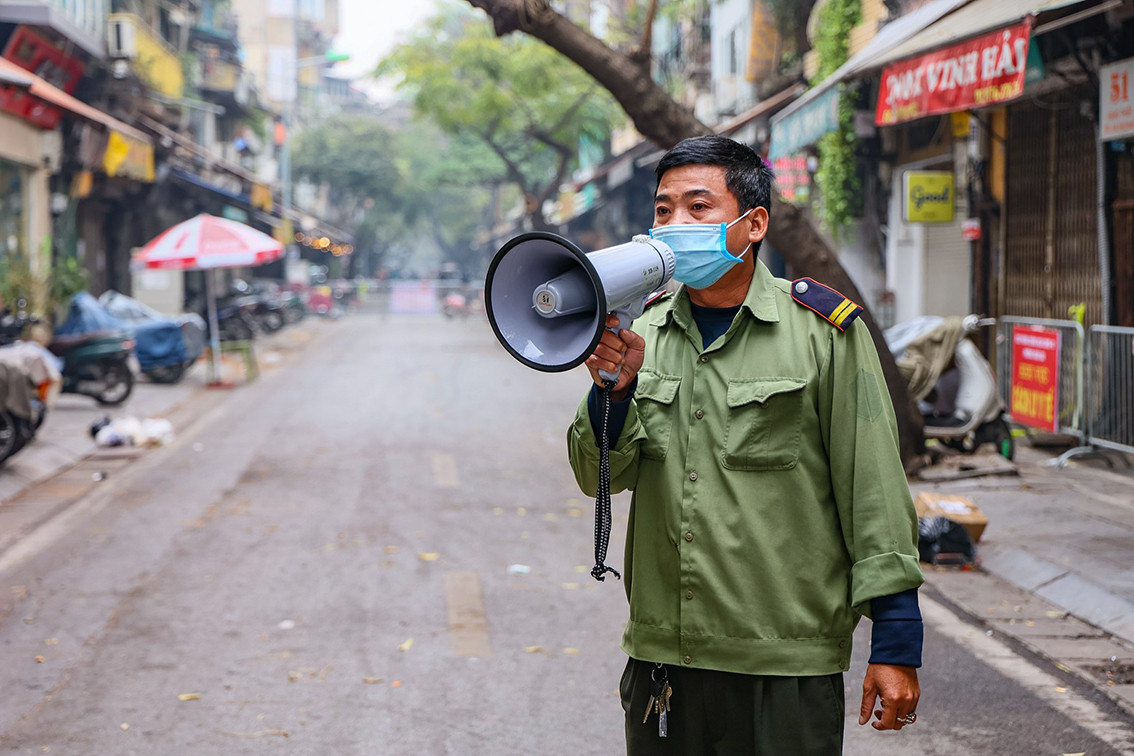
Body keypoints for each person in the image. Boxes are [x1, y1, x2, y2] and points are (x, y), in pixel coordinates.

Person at [566, 135, 923, 754]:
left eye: (699, 207)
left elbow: (873, 487)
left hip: (785, 664)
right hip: (664, 659)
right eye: (662, 210)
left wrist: (896, 643)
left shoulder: (822, 332)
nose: (675, 225)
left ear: (753, 223)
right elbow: (596, 472)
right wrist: (612, 394)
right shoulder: (640, 330)